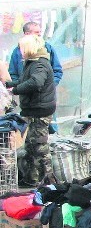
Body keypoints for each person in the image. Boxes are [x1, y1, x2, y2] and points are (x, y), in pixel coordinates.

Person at [5, 34, 56, 187]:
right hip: (34, 109)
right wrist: (9, 84)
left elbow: (36, 82)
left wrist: (15, 90)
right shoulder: (32, 63)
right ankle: (32, 179)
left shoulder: (39, 64)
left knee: (39, 148)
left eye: (21, 48)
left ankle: (48, 181)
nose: (20, 50)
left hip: (39, 111)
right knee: (31, 146)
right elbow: (25, 81)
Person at [9, 21, 63, 133]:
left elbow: (52, 74)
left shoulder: (45, 53)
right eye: (36, 33)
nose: (39, 36)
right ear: (27, 34)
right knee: (33, 135)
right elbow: (15, 74)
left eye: (40, 33)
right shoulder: (18, 51)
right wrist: (14, 85)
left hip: (43, 102)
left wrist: (48, 87)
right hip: (29, 102)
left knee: (44, 133)